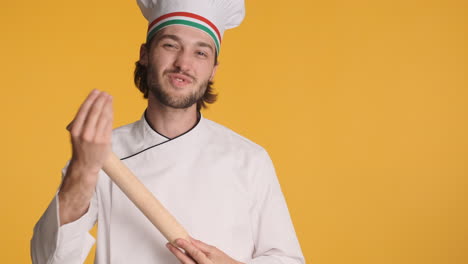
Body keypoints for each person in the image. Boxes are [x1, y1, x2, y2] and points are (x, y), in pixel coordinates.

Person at [31, 0, 305, 263]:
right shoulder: (101, 152)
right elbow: (48, 260)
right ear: (145, 54)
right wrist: (83, 171)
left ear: (213, 70)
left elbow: (287, 260)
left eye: (200, 52)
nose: (183, 64)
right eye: (171, 45)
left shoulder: (249, 159)